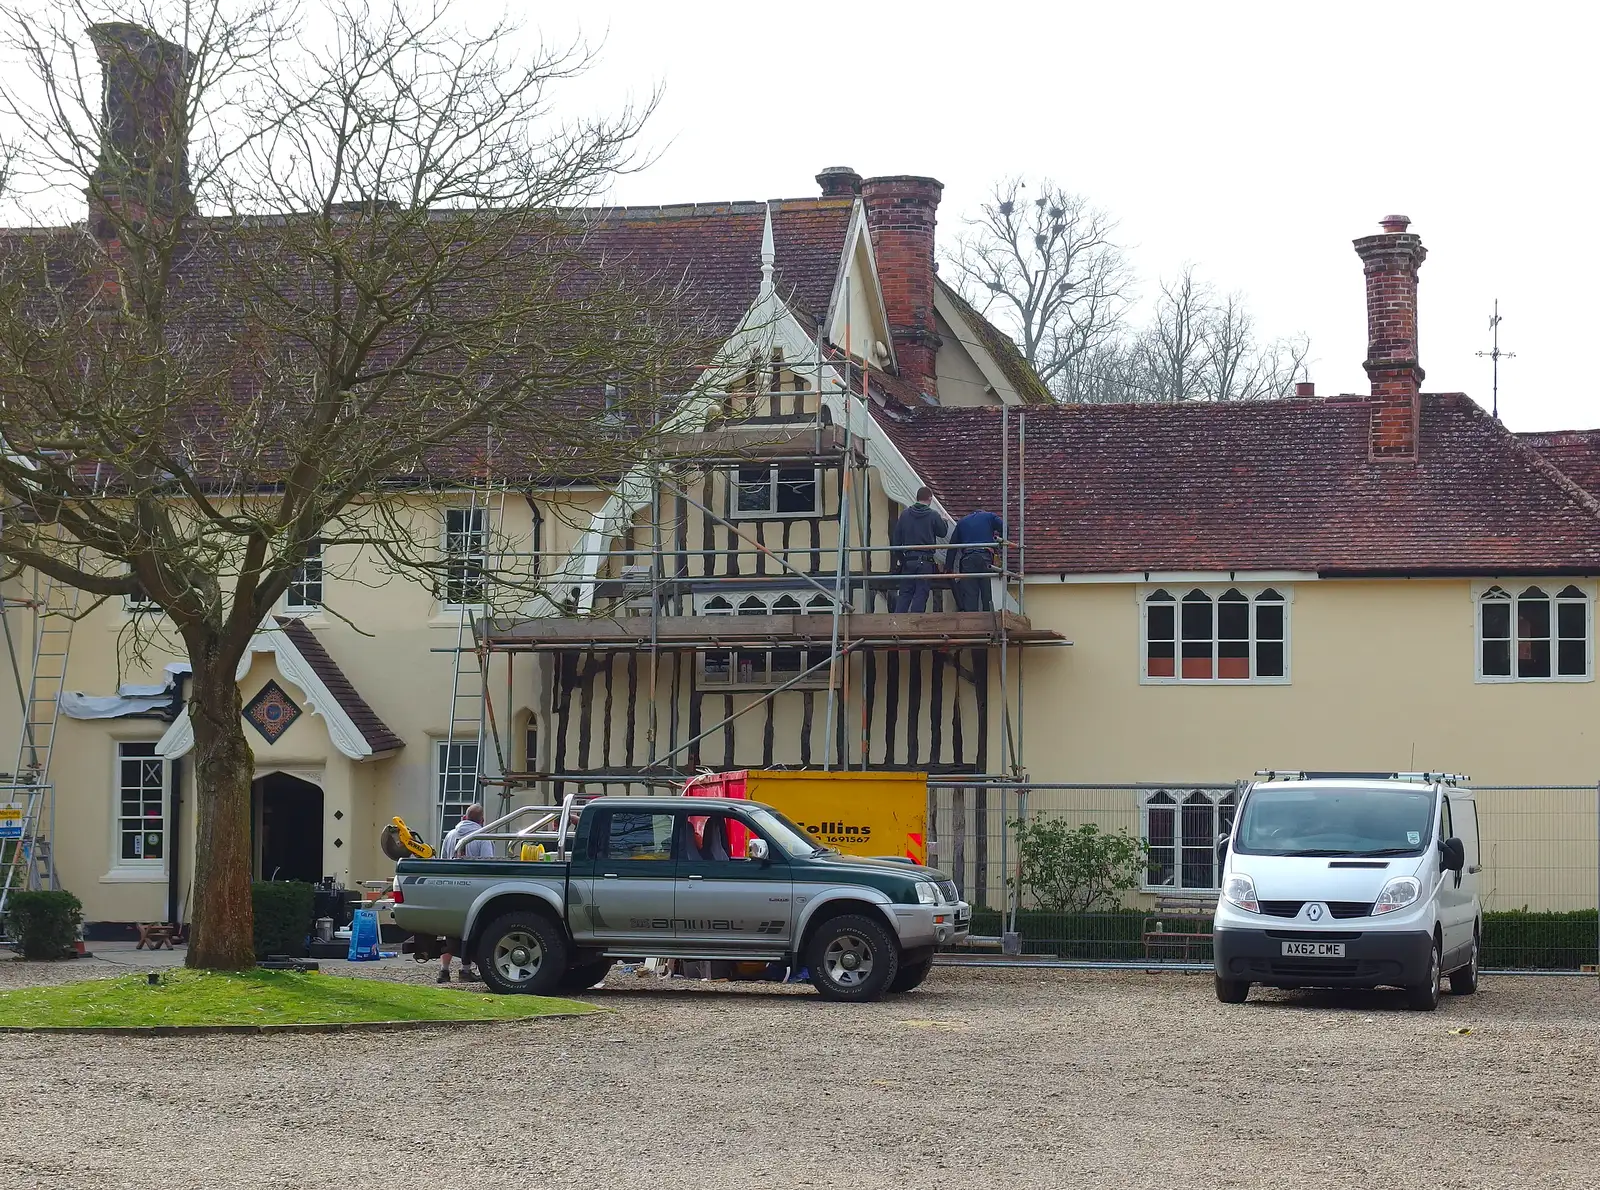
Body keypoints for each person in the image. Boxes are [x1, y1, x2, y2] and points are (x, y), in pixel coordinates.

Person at [436, 804, 494, 983]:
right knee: (471, 930)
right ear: (482, 820)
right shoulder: (482, 836)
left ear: (464, 817)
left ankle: (444, 971)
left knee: (449, 930)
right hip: (473, 889)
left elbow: (443, 861)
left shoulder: (450, 835)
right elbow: (488, 864)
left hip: (450, 887)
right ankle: (465, 970)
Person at [890, 487, 950, 613]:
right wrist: (944, 520)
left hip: (908, 561)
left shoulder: (905, 515)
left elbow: (896, 542)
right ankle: (915, 626)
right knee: (920, 594)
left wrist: (903, 559)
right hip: (925, 561)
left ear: (917, 498)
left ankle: (897, 625)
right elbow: (943, 532)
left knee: (905, 594)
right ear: (930, 498)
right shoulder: (933, 515)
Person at [946, 508, 1005, 612]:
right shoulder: (990, 516)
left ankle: (971, 621)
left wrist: (948, 567)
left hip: (968, 558)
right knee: (986, 592)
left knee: (970, 594)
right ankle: (988, 620)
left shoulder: (962, 521)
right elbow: (1005, 527)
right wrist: (1001, 544)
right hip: (985, 557)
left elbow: (953, 546)